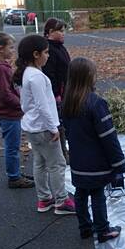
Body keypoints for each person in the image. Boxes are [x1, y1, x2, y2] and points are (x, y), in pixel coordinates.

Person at [62, 57, 125, 243]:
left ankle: (85, 227)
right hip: (96, 162)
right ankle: (103, 230)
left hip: (77, 161)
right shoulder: (96, 103)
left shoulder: (68, 101)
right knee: (98, 194)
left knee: (81, 193)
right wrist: (119, 163)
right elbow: (108, 136)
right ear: (89, 77)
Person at [13, 34, 75, 215]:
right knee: (57, 164)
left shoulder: (26, 73)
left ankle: (44, 198)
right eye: (46, 52)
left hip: (33, 127)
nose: (48, 56)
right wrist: (53, 127)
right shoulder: (36, 77)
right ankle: (62, 201)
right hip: (43, 128)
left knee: (40, 163)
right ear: (35, 54)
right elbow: (43, 105)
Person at [0, 33, 35, 189]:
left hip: (9, 113)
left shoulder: (1, 66)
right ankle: (14, 177)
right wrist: (22, 104)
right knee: (12, 146)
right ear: (0, 49)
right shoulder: (0, 69)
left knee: (13, 145)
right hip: (8, 114)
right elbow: (5, 94)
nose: (13, 50)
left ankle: (15, 172)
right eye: (11, 47)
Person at [42, 18, 71, 163]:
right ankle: (62, 154)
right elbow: (50, 73)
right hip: (57, 93)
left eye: (63, 30)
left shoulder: (60, 47)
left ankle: (65, 151)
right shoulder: (50, 49)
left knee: (64, 123)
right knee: (58, 124)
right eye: (60, 31)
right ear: (50, 32)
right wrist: (56, 94)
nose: (63, 33)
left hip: (65, 90)